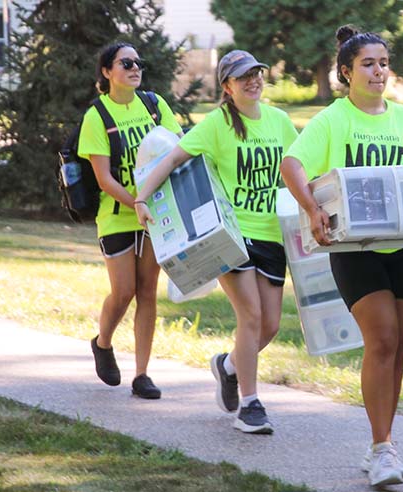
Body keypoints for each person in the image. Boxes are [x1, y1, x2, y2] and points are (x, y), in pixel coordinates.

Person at [280, 25, 403, 487]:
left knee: (397, 346)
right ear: (346, 72)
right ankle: (383, 448)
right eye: (367, 63)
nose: (378, 70)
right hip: (352, 249)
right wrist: (311, 207)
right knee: (381, 339)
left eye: (383, 62)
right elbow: (293, 164)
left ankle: (381, 443)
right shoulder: (334, 120)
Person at [135, 50, 297, 434]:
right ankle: (251, 404)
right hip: (230, 234)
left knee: (270, 326)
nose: (253, 81)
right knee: (251, 316)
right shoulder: (218, 123)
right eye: (243, 77)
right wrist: (142, 198)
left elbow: (299, 165)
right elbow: (172, 159)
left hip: (271, 234)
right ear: (227, 86)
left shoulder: (280, 121)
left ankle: (227, 367)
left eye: (257, 74)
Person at [80, 42, 183, 399]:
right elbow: (104, 179)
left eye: (138, 62)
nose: (135, 68)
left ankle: (142, 374)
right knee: (123, 292)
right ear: (107, 72)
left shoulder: (155, 106)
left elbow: (176, 149)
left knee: (147, 291)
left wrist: (148, 203)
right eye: (126, 63)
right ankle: (103, 342)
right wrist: (135, 203)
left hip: (154, 213)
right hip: (117, 216)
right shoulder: (97, 116)